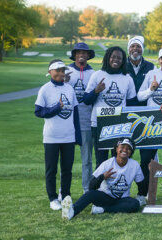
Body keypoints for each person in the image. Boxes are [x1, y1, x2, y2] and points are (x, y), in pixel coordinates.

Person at [34, 59, 81, 210]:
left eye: (63, 71)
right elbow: (38, 112)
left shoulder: (69, 89)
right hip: (51, 137)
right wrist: (56, 108)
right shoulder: (45, 89)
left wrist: (77, 136)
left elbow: (75, 115)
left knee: (67, 169)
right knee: (51, 169)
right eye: (57, 70)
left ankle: (65, 195)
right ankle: (53, 198)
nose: (61, 73)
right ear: (50, 72)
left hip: (68, 136)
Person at [61, 138, 146, 220]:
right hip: (105, 197)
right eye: (122, 147)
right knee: (90, 194)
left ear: (131, 152)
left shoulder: (134, 165)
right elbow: (91, 187)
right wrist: (102, 177)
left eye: (128, 148)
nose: (125, 150)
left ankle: (101, 210)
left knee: (135, 204)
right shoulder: (107, 164)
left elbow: (142, 185)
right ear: (116, 149)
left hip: (122, 199)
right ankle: (72, 211)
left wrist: (150, 172)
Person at [83, 46, 137, 168]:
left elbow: (132, 103)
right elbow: (86, 100)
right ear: (108, 58)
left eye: (119, 58)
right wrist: (96, 91)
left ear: (123, 61)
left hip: (119, 125)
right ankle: (100, 187)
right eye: (113, 57)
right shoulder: (97, 75)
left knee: (118, 160)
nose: (116, 60)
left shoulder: (127, 78)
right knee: (101, 161)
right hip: (99, 124)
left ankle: (115, 187)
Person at [125, 36, 156, 206]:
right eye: (132, 46)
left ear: (142, 49)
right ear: (129, 49)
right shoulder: (123, 66)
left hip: (147, 118)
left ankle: (143, 193)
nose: (135, 49)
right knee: (122, 154)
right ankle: (121, 190)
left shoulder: (151, 67)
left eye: (138, 47)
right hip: (126, 116)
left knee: (147, 159)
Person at [66, 42, 95, 193]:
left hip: (87, 121)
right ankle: (63, 191)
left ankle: (86, 189)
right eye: (78, 53)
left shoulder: (93, 73)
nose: (81, 55)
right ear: (74, 55)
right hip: (69, 122)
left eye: (84, 53)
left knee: (87, 160)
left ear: (88, 55)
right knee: (66, 160)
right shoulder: (67, 71)